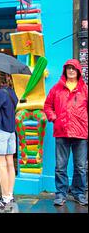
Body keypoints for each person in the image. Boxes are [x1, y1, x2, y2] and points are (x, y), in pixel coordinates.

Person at [44, 59, 88, 207]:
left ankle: (79, 193)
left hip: (81, 133)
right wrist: (53, 117)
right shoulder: (56, 88)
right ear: (65, 71)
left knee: (80, 166)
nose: (70, 71)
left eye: (73, 69)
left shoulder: (84, 89)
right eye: (68, 68)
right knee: (60, 166)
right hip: (62, 131)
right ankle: (61, 194)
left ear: (78, 72)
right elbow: (47, 105)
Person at [0, 71, 18, 208]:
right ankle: (10, 195)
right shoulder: (12, 92)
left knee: (1, 165)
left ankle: (5, 199)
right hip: (11, 131)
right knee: (10, 164)